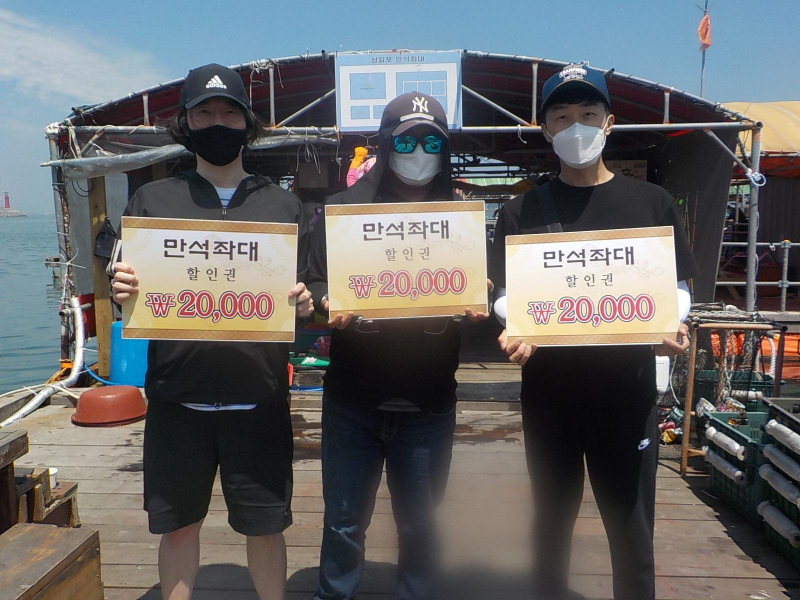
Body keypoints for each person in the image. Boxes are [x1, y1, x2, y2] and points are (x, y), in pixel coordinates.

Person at [488, 63, 697, 600]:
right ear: (545, 129)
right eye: (561, 116)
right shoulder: (520, 210)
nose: (575, 126)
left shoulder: (652, 203)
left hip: (627, 394)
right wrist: (515, 322)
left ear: (609, 123)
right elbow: (504, 293)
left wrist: (669, 319)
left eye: (587, 113)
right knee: (550, 523)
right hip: (549, 396)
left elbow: (677, 287)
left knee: (631, 528)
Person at [111, 63, 313, 600]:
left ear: (248, 123)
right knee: (178, 527)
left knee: (266, 527)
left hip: (259, 400)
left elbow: (308, 289)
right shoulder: (151, 203)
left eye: (229, 112)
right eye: (205, 112)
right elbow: (126, 287)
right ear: (186, 122)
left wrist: (307, 301)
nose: (218, 122)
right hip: (177, 401)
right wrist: (120, 288)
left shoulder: (284, 205)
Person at [307, 92, 489, 600]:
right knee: (344, 523)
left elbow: (485, 296)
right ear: (386, 144)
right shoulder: (343, 211)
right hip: (352, 402)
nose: (420, 152)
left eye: (433, 142)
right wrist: (325, 301)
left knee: (421, 527)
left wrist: (482, 298)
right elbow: (314, 281)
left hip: (429, 404)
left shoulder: (461, 218)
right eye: (407, 141)